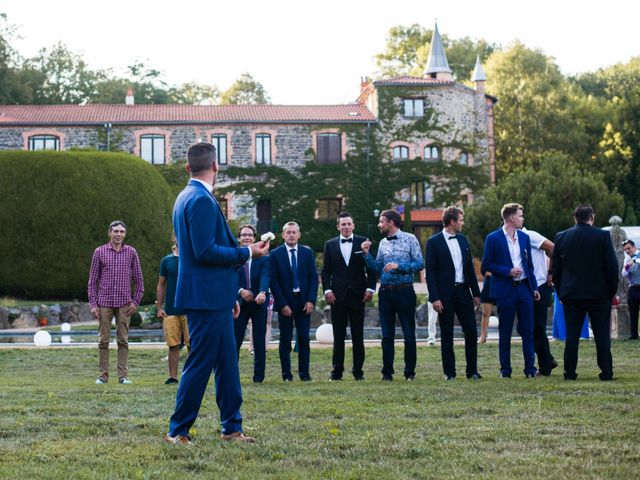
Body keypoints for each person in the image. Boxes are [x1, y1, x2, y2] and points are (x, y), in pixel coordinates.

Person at [164, 142, 269, 445]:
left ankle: (231, 428)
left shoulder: (186, 196)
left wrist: (229, 297)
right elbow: (204, 251)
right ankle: (177, 430)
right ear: (216, 167)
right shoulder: (199, 199)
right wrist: (247, 251)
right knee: (200, 364)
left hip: (215, 297)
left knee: (227, 363)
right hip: (205, 299)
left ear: (188, 168)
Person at [552, 204, 618, 381]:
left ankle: (569, 372)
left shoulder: (561, 237)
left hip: (571, 295)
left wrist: (561, 293)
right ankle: (606, 372)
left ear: (575, 218)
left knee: (572, 336)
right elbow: (611, 267)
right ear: (592, 217)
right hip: (599, 294)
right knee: (602, 335)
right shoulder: (602, 236)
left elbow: (556, 270)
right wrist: (611, 291)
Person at [362, 209, 424, 381]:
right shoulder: (382, 243)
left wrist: (400, 266)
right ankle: (387, 373)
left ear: (391, 222)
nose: (379, 225)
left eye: (381, 221)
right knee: (386, 335)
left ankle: (409, 373)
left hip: (405, 291)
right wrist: (367, 255)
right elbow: (377, 268)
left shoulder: (410, 239)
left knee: (409, 334)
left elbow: (420, 263)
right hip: (385, 293)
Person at [481, 203, 539, 378]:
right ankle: (505, 370)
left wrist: (534, 287)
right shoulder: (493, 238)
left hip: (524, 289)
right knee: (505, 331)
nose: (523, 219)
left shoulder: (524, 237)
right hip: (506, 290)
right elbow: (486, 265)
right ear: (512, 218)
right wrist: (507, 271)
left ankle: (530, 369)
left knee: (528, 330)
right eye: (520, 216)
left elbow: (529, 266)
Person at [425, 206, 482, 381]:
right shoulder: (433, 242)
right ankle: (450, 373)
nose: (463, 223)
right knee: (447, 334)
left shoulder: (463, 240)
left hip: (464, 291)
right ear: (452, 221)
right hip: (444, 294)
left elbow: (470, 269)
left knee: (471, 331)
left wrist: (476, 293)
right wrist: (435, 298)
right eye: (461, 220)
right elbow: (431, 272)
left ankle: (472, 371)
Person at [321, 211, 376, 381]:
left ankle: (358, 373)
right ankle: (336, 373)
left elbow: (371, 268)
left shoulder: (362, 242)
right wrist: (327, 290)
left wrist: (370, 289)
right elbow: (326, 271)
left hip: (358, 295)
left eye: (348, 224)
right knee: (338, 336)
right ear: (338, 226)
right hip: (337, 296)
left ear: (353, 226)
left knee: (358, 335)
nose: (345, 227)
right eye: (342, 224)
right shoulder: (329, 245)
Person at [88, 220, 144, 385]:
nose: (118, 234)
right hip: (104, 302)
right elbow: (92, 281)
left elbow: (139, 280)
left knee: (123, 340)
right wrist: (93, 303)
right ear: (109, 233)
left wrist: (136, 301)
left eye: (121, 232)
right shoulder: (99, 252)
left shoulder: (131, 252)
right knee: (103, 340)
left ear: (125, 234)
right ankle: (103, 376)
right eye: (115, 231)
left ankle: (123, 376)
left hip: (124, 303)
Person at [270, 221, 319, 382]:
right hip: (285, 302)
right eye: (288, 232)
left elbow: (313, 278)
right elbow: (274, 281)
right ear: (283, 235)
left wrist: (311, 300)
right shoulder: (276, 254)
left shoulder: (307, 252)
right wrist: (282, 304)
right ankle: (286, 375)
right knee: (285, 339)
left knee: (304, 338)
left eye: (294, 232)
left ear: (299, 235)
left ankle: (304, 374)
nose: (291, 235)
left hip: (304, 302)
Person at [234, 224, 270, 383]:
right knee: (235, 341)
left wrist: (262, 292)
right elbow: (229, 278)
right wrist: (240, 290)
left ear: (254, 238)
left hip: (258, 303)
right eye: (244, 235)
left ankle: (259, 377)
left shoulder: (263, 257)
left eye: (249, 235)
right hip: (239, 305)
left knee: (259, 341)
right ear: (239, 238)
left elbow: (265, 276)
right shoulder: (234, 256)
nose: (247, 237)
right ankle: (231, 375)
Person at [521, 227, 558, 376]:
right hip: (528, 287)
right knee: (526, 328)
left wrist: (550, 272)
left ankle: (545, 367)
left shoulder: (530, 235)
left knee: (537, 328)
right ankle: (548, 360)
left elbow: (553, 248)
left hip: (540, 285)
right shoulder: (515, 239)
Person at [155, 235, 190, 385]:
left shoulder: (192, 258)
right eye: (178, 235)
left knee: (192, 345)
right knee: (173, 345)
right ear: (173, 238)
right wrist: (159, 307)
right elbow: (161, 284)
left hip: (190, 310)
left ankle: (191, 377)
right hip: (170, 311)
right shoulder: (167, 260)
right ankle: (173, 377)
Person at [622, 239, 640, 340]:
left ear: (634, 247)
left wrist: (635, 261)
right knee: (633, 311)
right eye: (625, 250)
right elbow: (623, 273)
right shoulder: (626, 259)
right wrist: (628, 265)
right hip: (633, 288)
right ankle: (634, 334)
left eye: (628, 248)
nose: (627, 251)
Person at [478, 272, 495, 343]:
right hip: (488, 286)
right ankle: (483, 335)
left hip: (502, 286)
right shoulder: (487, 260)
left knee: (504, 313)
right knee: (485, 314)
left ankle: (504, 336)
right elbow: (485, 272)